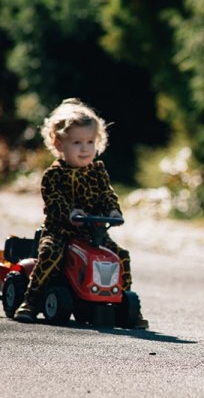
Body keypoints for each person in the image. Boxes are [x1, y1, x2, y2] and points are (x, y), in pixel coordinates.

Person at [14, 98, 149, 328]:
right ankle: (32, 299)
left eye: (89, 141)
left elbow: (107, 195)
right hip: (61, 232)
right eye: (77, 142)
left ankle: (124, 304)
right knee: (49, 254)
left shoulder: (98, 173)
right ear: (59, 144)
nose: (85, 148)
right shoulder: (54, 175)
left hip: (93, 234)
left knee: (120, 255)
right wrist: (69, 213)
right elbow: (53, 202)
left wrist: (113, 210)